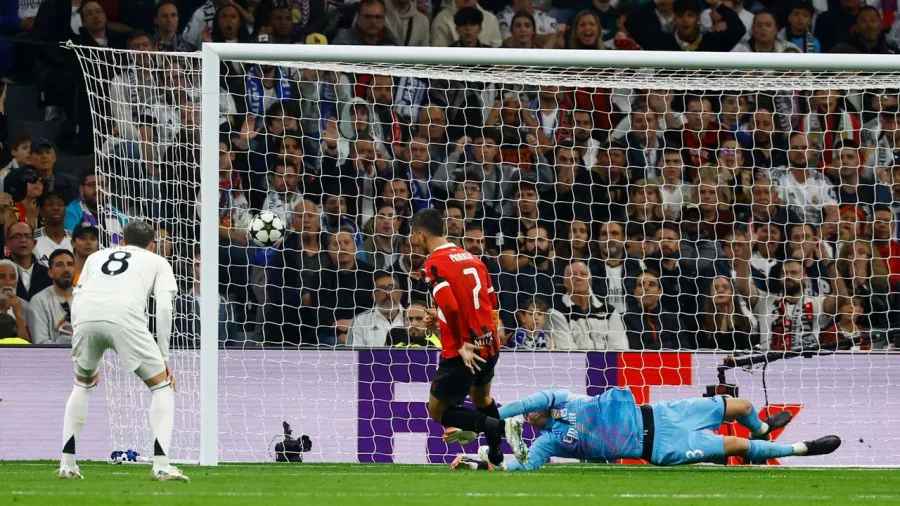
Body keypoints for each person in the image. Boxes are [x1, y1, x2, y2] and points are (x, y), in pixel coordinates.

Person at [60, 220, 187, 481]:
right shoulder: (158, 262)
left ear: (121, 242)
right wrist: (164, 357)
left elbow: (77, 294)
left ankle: (67, 464)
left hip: (84, 317)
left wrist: (84, 338)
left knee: (82, 385)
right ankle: (161, 465)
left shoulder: (95, 257)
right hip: (125, 317)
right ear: (152, 246)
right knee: (161, 386)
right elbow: (163, 309)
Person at [450, 388, 840, 471]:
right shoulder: (551, 442)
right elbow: (525, 467)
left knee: (742, 407)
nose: (530, 415)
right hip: (661, 447)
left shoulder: (561, 399)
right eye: (526, 420)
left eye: (531, 411)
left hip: (666, 412)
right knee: (734, 445)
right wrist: (481, 461)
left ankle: (759, 430)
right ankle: (803, 449)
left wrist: (480, 421)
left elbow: (512, 408)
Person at [409, 208, 526, 467]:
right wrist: (439, 317)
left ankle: (504, 426)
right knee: (481, 399)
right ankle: (495, 456)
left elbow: (451, 307)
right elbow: (490, 303)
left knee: (439, 412)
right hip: (488, 343)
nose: (412, 240)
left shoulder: (432, 266)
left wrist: (461, 342)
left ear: (420, 234)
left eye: (412, 235)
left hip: (463, 351)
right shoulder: (474, 259)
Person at [26, 249, 75, 345]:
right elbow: (41, 343)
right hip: (55, 358)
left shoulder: (85, 298)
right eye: (59, 265)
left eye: (70, 264)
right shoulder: (39, 301)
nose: (66, 269)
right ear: (50, 273)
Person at [346, 271, 405, 347]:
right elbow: (353, 355)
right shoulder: (360, 321)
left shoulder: (412, 317)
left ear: (400, 293)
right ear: (373, 295)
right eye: (381, 289)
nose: (387, 292)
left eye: (391, 287)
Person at [7, 221, 52, 302]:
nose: (23, 240)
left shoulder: (48, 275)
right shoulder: (2, 271)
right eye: (17, 236)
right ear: (7, 242)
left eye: (28, 236)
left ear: (34, 243)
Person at [33, 192, 72, 268]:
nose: (56, 208)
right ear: (40, 211)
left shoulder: (76, 239)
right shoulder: (32, 239)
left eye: (60, 205)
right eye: (49, 205)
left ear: (66, 211)